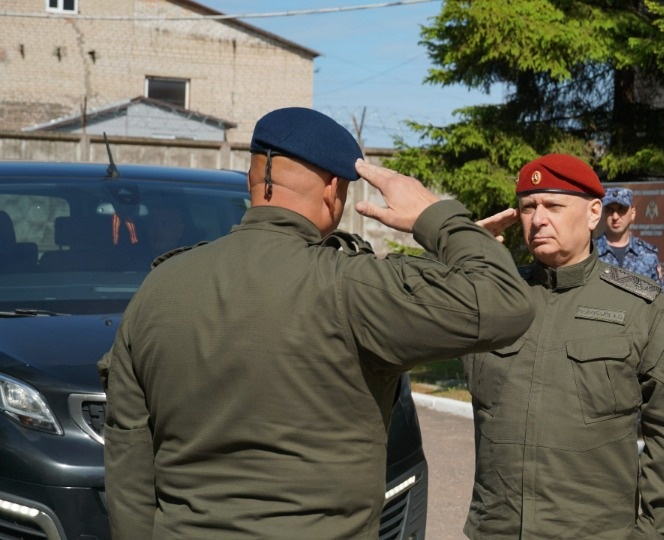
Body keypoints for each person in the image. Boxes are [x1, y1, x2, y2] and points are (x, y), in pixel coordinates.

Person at [96, 107, 535, 539]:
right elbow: (505, 301)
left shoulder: (157, 289)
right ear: (332, 191)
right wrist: (436, 218)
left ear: (252, 181)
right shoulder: (349, 287)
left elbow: (128, 465)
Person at [464, 154, 664, 539]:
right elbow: (403, 325)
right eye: (528, 207)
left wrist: (652, 534)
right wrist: (456, 258)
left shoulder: (641, 307)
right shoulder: (491, 297)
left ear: (593, 214)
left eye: (553, 206)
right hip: (496, 531)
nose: (538, 219)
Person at [595, 186, 664, 290]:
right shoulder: (589, 252)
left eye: (621, 209)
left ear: (632, 213)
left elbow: (658, 297)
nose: (615, 217)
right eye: (610, 210)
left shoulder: (647, 255)